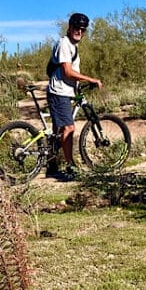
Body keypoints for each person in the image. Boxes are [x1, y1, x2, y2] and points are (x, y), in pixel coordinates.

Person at [46, 12, 102, 181]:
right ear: (69, 28)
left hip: (64, 91)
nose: (79, 32)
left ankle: (52, 164)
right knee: (69, 128)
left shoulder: (72, 46)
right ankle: (70, 166)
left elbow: (69, 73)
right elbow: (68, 71)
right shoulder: (64, 44)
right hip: (59, 92)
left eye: (82, 29)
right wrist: (91, 79)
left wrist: (77, 88)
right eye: (76, 28)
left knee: (58, 130)